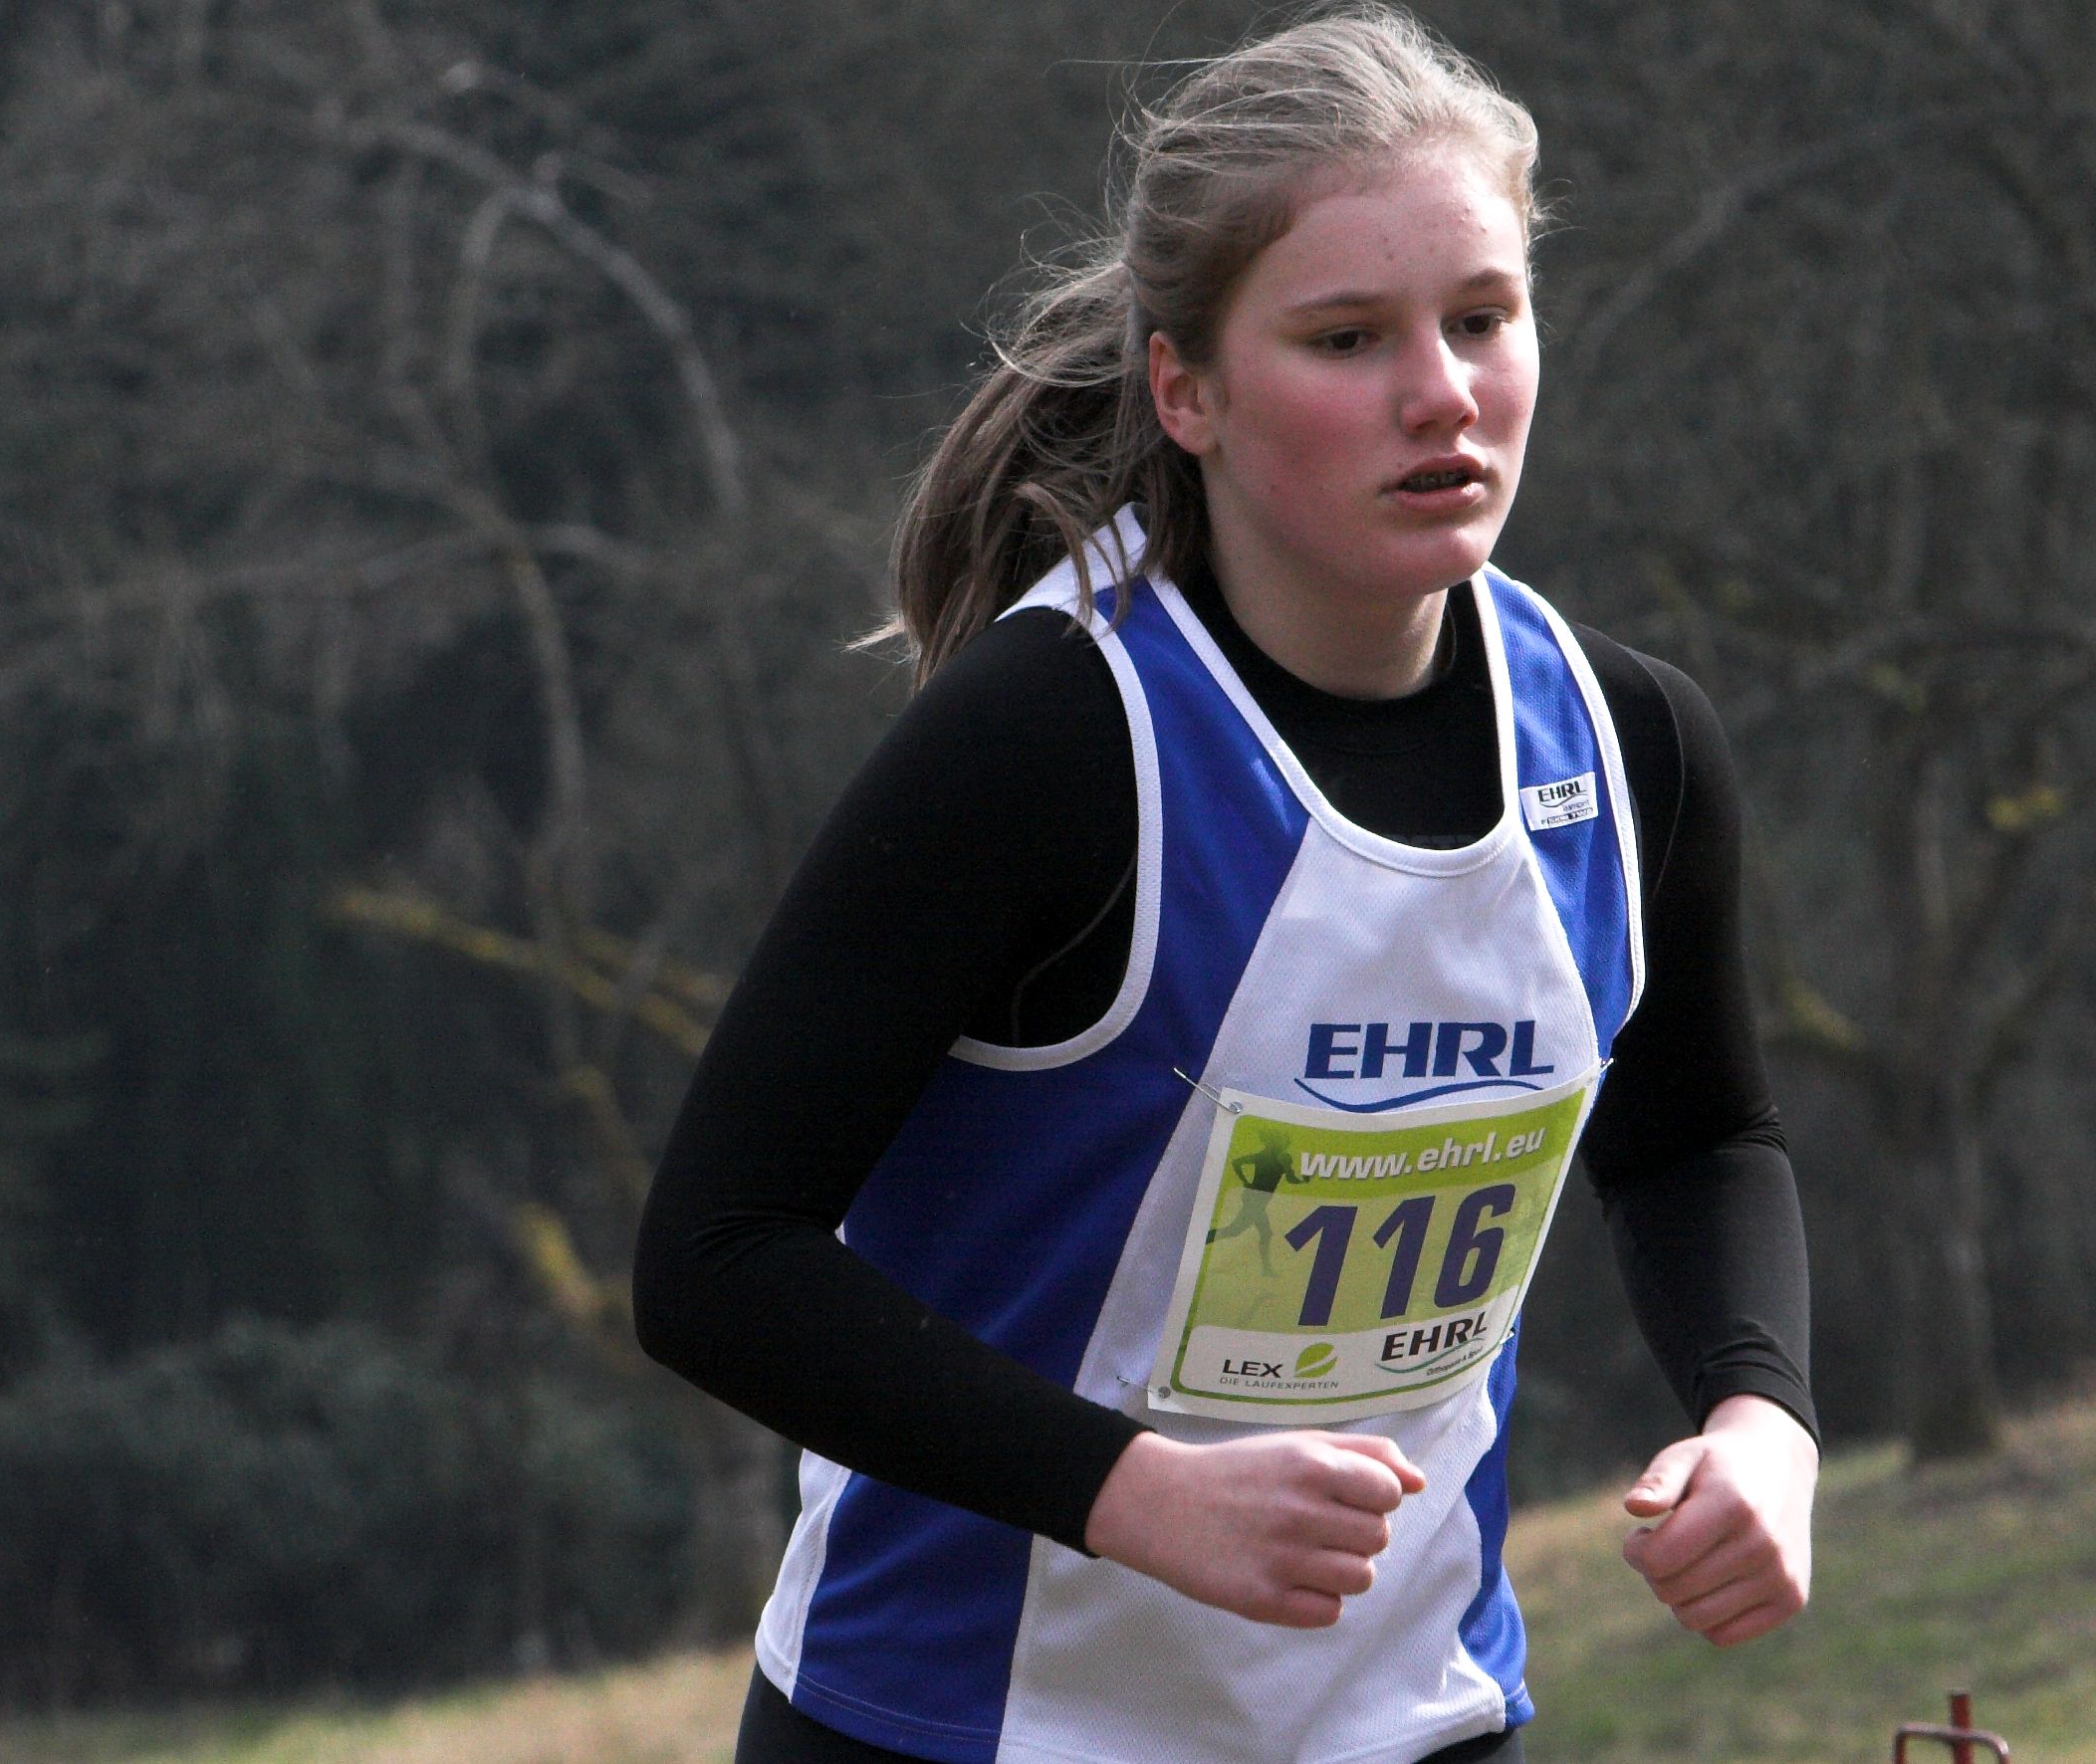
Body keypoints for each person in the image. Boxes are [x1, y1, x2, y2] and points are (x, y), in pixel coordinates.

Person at [633, 9, 1819, 1761]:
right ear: (1183, 389)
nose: (1442, 392)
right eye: (1346, 338)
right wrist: (1130, 1492)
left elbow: (1697, 1137)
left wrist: (1758, 1417)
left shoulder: (1627, 744)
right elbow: (714, 1260)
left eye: (1482, 318)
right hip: (961, 1729)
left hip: (1411, 1719)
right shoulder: (1053, 739)